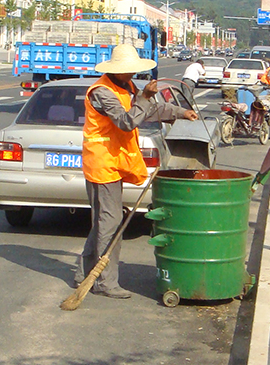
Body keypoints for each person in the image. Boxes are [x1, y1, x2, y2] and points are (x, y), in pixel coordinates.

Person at [75, 44, 198, 299]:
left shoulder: (127, 87)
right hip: (102, 164)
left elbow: (150, 111)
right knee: (110, 223)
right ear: (116, 70)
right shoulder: (102, 92)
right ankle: (104, 282)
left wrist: (180, 112)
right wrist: (144, 98)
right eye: (128, 71)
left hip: (114, 161)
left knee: (104, 221)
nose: (132, 75)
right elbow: (126, 121)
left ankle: (85, 272)